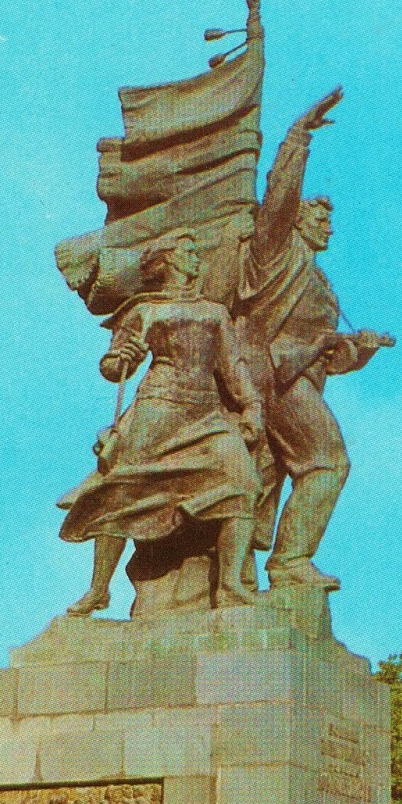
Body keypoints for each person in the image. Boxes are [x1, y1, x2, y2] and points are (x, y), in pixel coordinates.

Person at [58, 228, 263, 612]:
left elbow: (232, 366)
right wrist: (123, 358)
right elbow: (113, 364)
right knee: (121, 490)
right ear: (168, 260)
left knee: (243, 483)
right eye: (188, 252)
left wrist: (251, 405)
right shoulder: (144, 309)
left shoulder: (215, 312)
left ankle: (231, 585)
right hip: (158, 407)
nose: (196, 259)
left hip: (206, 412)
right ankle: (99, 588)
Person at [238, 88, 393, 590]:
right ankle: (288, 563)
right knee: (327, 461)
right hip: (275, 376)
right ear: (295, 222)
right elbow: (280, 194)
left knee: (273, 480)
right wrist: (298, 138)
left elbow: (334, 355)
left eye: (331, 220)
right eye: (320, 218)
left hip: (300, 378)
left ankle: (252, 567)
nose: (329, 226)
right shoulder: (277, 254)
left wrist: (360, 347)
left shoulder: (320, 281)